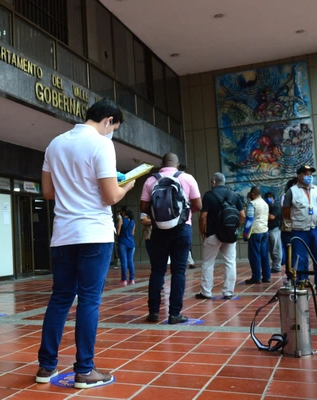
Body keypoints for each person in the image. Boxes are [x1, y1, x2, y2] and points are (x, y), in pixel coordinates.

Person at [36, 99, 135, 389]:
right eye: (114, 127)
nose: (112, 132)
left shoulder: (54, 144)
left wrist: (75, 187)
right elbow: (110, 197)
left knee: (60, 298)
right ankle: (84, 370)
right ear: (108, 120)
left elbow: (47, 191)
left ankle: (46, 366)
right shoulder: (102, 145)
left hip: (63, 234)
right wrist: (127, 185)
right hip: (94, 232)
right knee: (89, 299)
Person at [140, 153, 201, 324]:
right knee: (178, 271)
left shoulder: (151, 180)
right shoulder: (188, 178)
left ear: (161, 164)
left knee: (157, 271)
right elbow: (198, 205)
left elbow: (143, 207)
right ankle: (174, 314)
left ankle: (153, 312)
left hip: (159, 230)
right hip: (182, 229)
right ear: (178, 164)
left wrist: (158, 217)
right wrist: (182, 215)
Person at [196, 172, 245, 300]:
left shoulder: (208, 195)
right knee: (230, 262)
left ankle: (206, 292)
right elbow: (243, 216)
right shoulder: (234, 195)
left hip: (212, 234)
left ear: (213, 182)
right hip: (229, 235)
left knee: (208, 263)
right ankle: (228, 291)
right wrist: (234, 228)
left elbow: (203, 217)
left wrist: (203, 232)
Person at [282, 165, 317, 295]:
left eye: (310, 174)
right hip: (300, 230)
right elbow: (286, 211)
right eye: (306, 174)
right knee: (299, 258)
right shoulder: (292, 191)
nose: (309, 176)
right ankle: (300, 284)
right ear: (299, 176)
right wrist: (299, 220)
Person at [244, 186, 271, 284]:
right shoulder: (265, 203)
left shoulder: (252, 203)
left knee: (254, 255)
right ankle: (266, 276)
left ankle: (256, 277)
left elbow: (249, 219)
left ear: (252, 194)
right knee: (264, 255)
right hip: (264, 230)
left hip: (255, 231)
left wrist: (246, 233)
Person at [280, 177, 297, 269]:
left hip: (299, 227)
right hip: (288, 228)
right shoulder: (285, 196)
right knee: (289, 252)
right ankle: (290, 274)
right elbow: (285, 212)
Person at [116, 206, 136, 285]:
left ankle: (124, 280)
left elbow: (118, 232)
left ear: (123, 212)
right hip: (131, 243)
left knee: (124, 262)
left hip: (122, 243)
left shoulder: (121, 220)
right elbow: (132, 233)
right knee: (130, 262)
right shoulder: (133, 221)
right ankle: (132, 279)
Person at [265, 192, 282, 273]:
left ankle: (277, 266)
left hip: (275, 230)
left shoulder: (276, 207)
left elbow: (272, 217)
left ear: (273, 199)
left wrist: (264, 213)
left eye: (270, 197)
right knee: (271, 249)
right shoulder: (266, 207)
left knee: (276, 249)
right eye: (267, 197)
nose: (269, 198)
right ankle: (273, 266)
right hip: (267, 230)